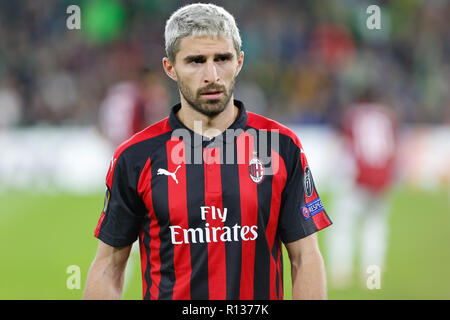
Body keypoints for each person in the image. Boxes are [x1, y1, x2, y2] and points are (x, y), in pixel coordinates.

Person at [83, 3, 332, 300]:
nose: (212, 74)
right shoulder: (135, 157)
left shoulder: (281, 147)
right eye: (196, 61)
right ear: (170, 68)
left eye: (222, 59)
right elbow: (109, 266)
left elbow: (305, 258)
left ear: (239, 62)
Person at [326, 98, 397, 288]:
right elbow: (391, 148)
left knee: (343, 227)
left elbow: (346, 148)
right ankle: (372, 278)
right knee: (374, 228)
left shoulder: (353, 115)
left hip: (357, 178)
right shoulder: (386, 116)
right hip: (381, 179)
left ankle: (341, 273)